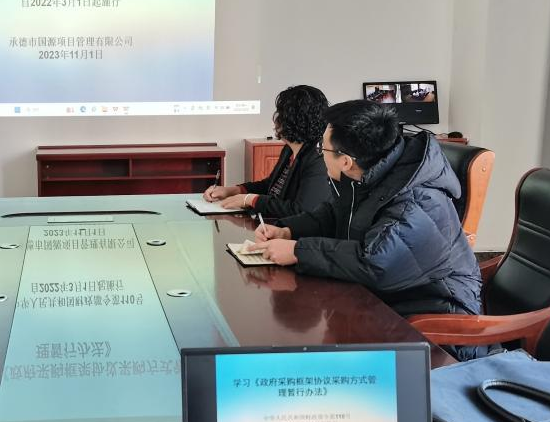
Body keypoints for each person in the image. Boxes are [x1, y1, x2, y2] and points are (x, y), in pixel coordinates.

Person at [247, 99, 482, 335]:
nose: (320, 154)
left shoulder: (416, 202)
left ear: (346, 161)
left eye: (322, 148)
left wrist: (298, 251)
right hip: (383, 305)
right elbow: (335, 214)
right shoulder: (372, 172)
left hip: (435, 322)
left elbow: (376, 263)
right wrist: (288, 230)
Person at [202, 85, 331, 218]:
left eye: (280, 113)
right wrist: (232, 190)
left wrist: (251, 200)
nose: (276, 119)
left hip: (289, 229)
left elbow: (301, 211)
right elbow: (270, 186)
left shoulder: (318, 159)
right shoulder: (289, 149)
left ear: (293, 120)